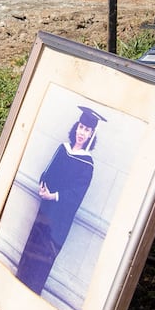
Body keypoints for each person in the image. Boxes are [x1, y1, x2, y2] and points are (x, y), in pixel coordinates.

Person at [15, 106, 103, 296]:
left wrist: (53, 196)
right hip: (45, 209)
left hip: (59, 220)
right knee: (32, 245)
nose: (82, 133)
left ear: (91, 135)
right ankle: (18, 282)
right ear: (76, 127)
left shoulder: (87, 164)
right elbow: (48, 170)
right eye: (80, 127)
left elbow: (76, 195)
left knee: (44, 255)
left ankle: (30, 293)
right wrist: (42, 185)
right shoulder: (63, 149)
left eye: (87, 130)